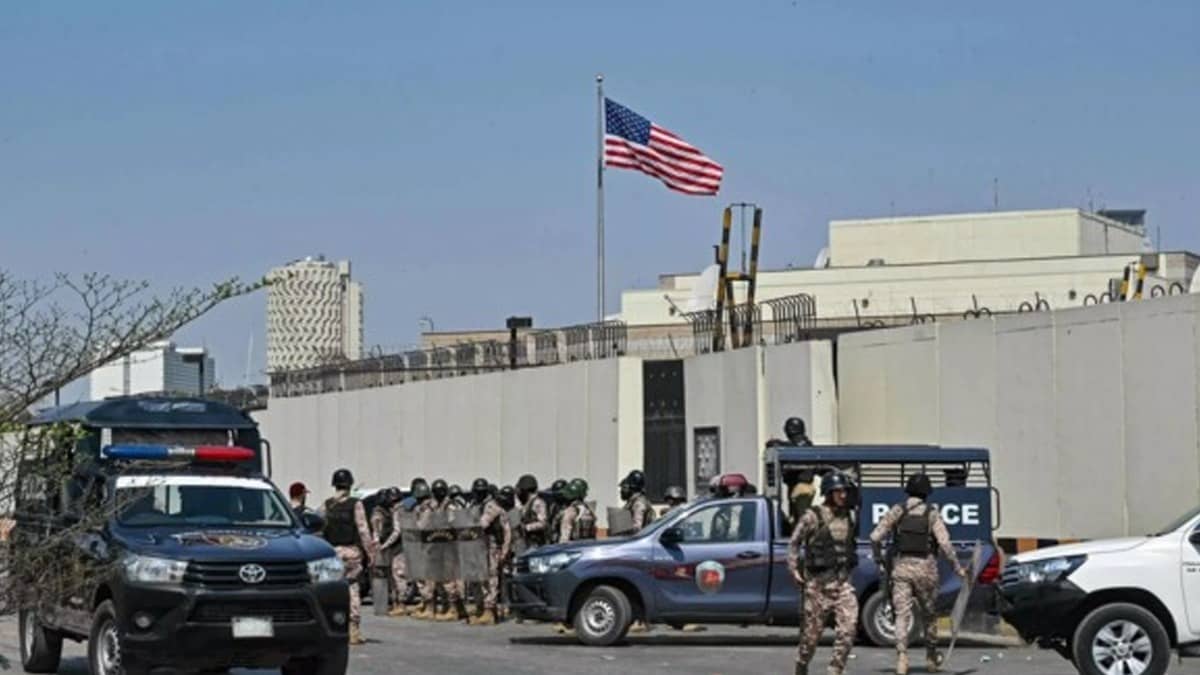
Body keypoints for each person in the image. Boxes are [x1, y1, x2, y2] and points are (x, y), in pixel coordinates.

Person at [870, 473, 967, 675]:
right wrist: (958, 568)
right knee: (929, 615)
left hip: (901, 569)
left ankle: (902, 658)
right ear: (926, 493)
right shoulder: (932, 513)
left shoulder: (898, 510)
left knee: (902, 615)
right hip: (926, 569)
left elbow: (875, 536)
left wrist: (879, 559)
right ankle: (931, 657)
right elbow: (945, 544)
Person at [788, 471, 858, 675]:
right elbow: (794, 543)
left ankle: (835, 670)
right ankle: (802, 664)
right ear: (828, 492)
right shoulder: (813, 516)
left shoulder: (848, 516)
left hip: (842, 584)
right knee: (811, 638)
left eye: (844, 491)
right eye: (838, 491)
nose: (843, 495)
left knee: (848, 630)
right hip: (818, 586)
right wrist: (794, 569)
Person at [320, 468, 376, 646]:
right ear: (350, 485)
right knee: (352, 588)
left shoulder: (327, 505)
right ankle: (353, 630)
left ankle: (332, 627)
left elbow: (318, 527)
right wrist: (371, 554)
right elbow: (363, 530)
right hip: (351, 552)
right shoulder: (355, 504)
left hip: (331, 553)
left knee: (330, 590)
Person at [416, 479, 466, 622]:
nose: (438, 495)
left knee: (448, 578)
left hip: (448, 546)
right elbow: (421, 525)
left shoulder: (451, 506)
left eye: (441, 492)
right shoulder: (431, 506)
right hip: (434, 546)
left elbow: (454, 524)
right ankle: (439, 607)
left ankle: (453, 609)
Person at [471, 478, 512, 626]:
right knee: (482, 578)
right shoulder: (479, 505)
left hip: (492, 547)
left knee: (490, 578)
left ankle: (490, 611)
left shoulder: (491, 506)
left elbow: (482, 524)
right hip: (482, 546)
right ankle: (483, 609)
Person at [516, 474, 549, 548]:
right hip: (528, 542)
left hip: (537, 543)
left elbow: (543, 523)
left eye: (521, 489)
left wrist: (527, 527)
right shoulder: (527, 503)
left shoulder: (537, 503)